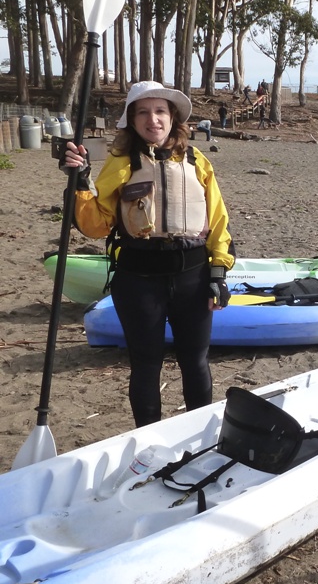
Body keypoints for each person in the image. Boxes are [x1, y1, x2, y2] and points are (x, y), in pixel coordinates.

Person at [62, 80, 235, 427]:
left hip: (194, 276)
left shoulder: (197, 161)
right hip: (139, 279)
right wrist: (80, 182)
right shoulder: (121, 163)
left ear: (173, 118)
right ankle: (149, 441)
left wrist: (218, 273)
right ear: (131, 120)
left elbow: (218, 220)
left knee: (195, 361)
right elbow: (96, 225)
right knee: (145, 364)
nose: (152, 119)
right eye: (142, 112)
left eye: (160, 111)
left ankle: (200, 435)